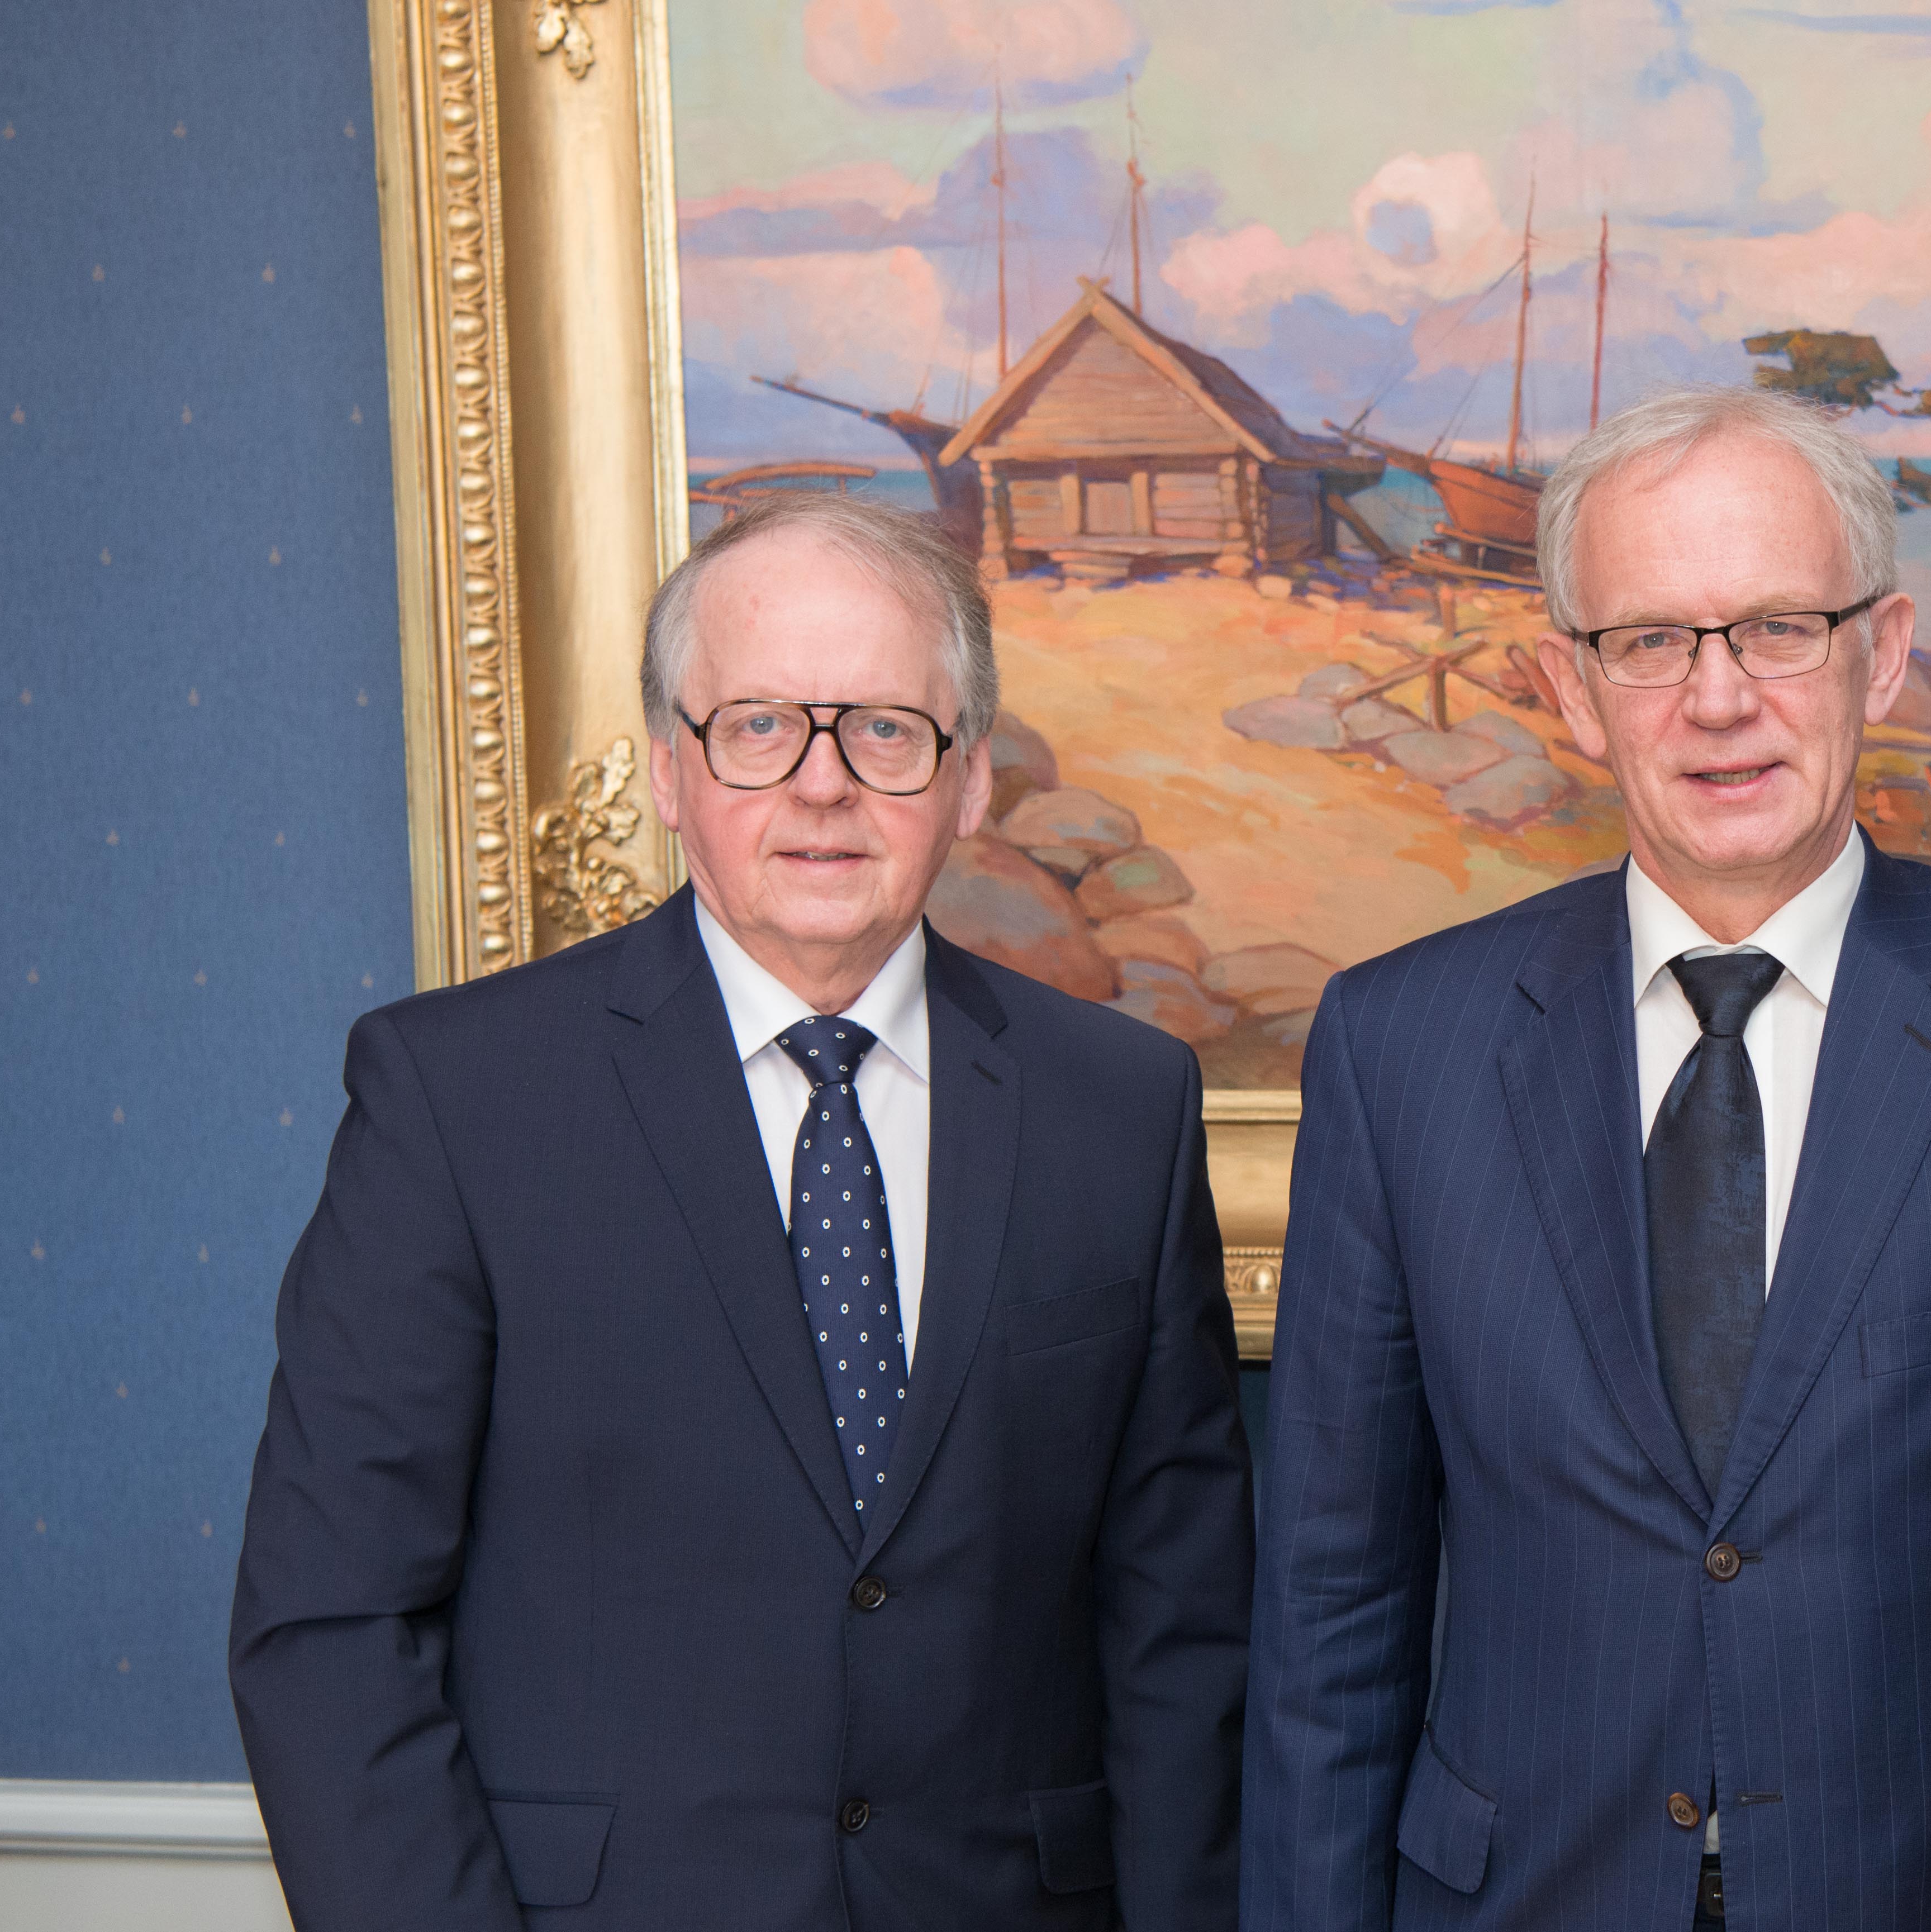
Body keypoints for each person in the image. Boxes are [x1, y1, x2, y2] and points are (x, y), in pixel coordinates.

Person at [229, 493, 1252, 1931]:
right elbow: (331, 1625)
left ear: (969, 779)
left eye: (885, 728)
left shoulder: (1121, 1105)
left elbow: (1182, 1634)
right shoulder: (456, 1097)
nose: (822, 784)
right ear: (668, 767)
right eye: (759, 725)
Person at [1246, 387, 1931, 1931]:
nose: (1717, 697)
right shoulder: (1397, 1043)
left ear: (1883, 652)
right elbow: (1329, 1603)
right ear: (1569, 688)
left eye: (1776, 629)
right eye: (1648, 641)